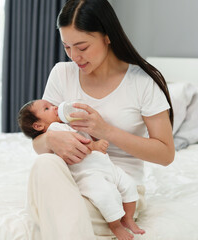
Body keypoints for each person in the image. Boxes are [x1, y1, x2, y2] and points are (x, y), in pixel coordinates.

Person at [26, 0, 175, 240]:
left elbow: (166, 154)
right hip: (72, 177)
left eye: (82, 47)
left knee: (57, 213)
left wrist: (106, 131)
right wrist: (51, 139)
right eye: (67, 47)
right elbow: (38, 144)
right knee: (44, 165)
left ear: (107, 36)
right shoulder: (61, 74)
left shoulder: (142, 82)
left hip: (118, 189)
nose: (74, 56)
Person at [18, 99, 145, 239]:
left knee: (129, 185)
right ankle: (115, 226)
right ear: (38, 125)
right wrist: (95, 146)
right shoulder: (56, 129)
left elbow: (88, 135)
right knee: (106, 195)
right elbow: (80, 144)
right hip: (88, 174)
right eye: (47, 109)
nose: (54, 107)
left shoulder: (67, 124)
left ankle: (128, 218)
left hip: (106, 166)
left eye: (52, 105)